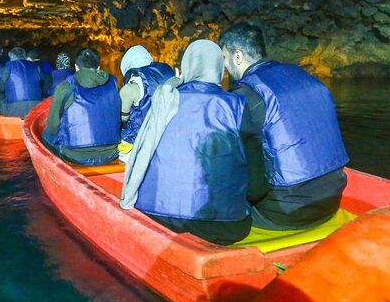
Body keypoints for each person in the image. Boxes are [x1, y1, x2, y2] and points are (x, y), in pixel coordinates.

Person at [120, 40, 254, 245]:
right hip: (223, 226)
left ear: (187, 67)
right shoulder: (237, 105)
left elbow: (144, 149)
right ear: (219, 70)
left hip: (158, 214)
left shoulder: (165, 99)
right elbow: (254, 173)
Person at [218, 21, 348, 230]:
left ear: (238, 56)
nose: (225, 67)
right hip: (334, 196)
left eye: (224, 58)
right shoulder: (304, 76)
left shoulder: (247, 96)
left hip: (286, 212)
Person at [43, 48, 120, 165]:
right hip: (111, 153)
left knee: (46, 134)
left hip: (75, 155)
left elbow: (52, 128)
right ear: (98, 67)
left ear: (76, 66)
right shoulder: (113, 83)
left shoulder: (65, 86)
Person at [118, 45, 175, 146]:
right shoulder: (169, 75)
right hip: (170, 136)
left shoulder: (129, 89)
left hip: (142, 143)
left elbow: (122, 120)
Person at [0, 47, 44, 118]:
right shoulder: (36, 66)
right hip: (36, 106)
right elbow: (42, 83)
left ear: (11, 57)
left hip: (15, 109)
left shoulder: (8, 67)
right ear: (24, 56)